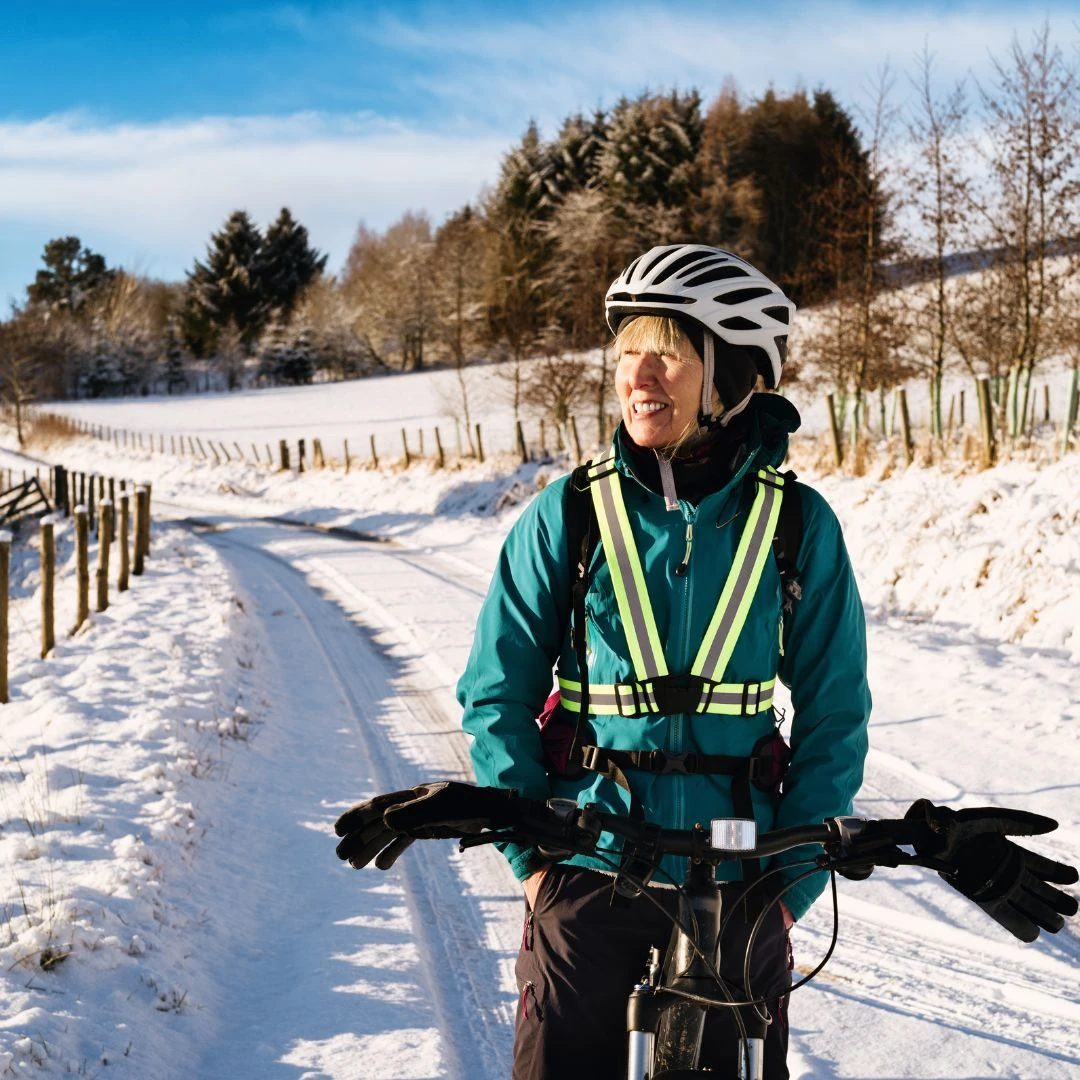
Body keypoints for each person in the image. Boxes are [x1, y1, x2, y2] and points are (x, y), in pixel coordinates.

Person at [457, 244, 871, 1080]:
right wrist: (534, 866)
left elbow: (837, 715)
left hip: (741, 862)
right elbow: (494, 694)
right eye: (626, 355)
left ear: (732, 376)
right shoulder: (568, 514)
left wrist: (787, 891)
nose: (639, 375)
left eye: (671, 354)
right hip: (589, 856)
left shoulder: (797, 527)